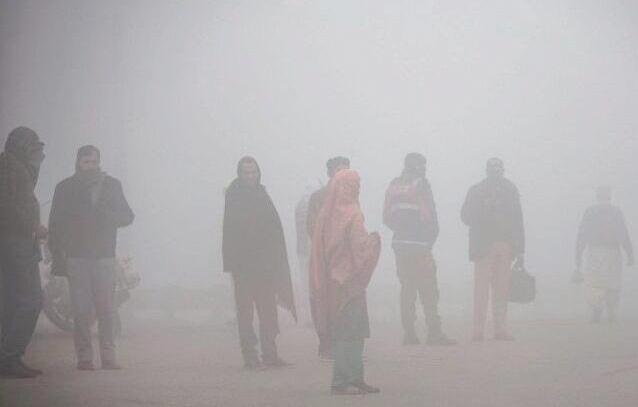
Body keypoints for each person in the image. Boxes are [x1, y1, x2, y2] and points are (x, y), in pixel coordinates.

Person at [47, 145, 134, 371]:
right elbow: (55, 224)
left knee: (106, 309)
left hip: (104, 256)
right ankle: (84, 358)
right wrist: (57, 256)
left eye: (94, 162)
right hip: (76, 256)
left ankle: (108, 357)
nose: (90, 166)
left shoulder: (112, 185)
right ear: (78, 162)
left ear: (99, 162)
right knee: (80, 310)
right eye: (86, 162)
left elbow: (128, 216)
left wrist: (109, 216)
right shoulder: (65, 188)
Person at [309, 169, 381, 395]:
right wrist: (375, 242)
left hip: (332, 280)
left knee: (345, 330)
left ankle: (352, 377)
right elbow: (360, 249)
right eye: (354, 185)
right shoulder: (353, 213)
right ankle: (344, 379)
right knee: (353, 332)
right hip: (351, 282)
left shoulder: (326, 214)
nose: (357, 189)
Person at [222, 156, 296, 369]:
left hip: (265, 265)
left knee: (268, 309)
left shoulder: (262, 194)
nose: (251, 176)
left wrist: (275, 259)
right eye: (246, 172)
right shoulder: (234, 196)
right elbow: (231, 232)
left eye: (254, 172)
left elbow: (273, 228)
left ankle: (270, 353)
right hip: (244, 266)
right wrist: (234, 264)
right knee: (245, 312)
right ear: (239, 174)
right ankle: (250, 355)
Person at [383, 153, 456, 346]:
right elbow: (430, 214)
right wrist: (430, 238)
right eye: (423, 165)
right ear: (418, 166)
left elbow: (386, 217)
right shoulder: (422, 184)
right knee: (429, 289)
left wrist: (401, 231)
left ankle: (409, 334)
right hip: (421, 245)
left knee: (407, 288)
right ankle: (434, 332)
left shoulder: (394, 185)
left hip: (400, 244)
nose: (425, 168)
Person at [0, 126, 46, 378]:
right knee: (30, 300)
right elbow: (7, 206)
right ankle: (9, 356)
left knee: (13, 301)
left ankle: (7, 357)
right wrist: (33, 227)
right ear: (22, 146)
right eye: (33, 146)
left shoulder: (12, 165)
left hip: (15, 243)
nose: (38, 153)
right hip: (16, 243)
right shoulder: (10, 167)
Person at [461, 158, 524, 341]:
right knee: (481, 290)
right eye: (493, 169)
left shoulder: (510, 189)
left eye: (498, 169)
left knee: (501, 289)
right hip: (484, 246)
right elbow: (465, 216)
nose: (496, 172)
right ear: (487, 170)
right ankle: (478, 329)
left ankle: (499, 329)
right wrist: (484, 208)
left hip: (505, 245)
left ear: (502, 170)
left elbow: (518, 220)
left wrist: (520, 249)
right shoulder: (477, 190)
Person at [306, 156, 350, 360]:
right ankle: (325, 343)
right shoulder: (318, 198)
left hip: (346, 260)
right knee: (323, 300)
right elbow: (312, 228)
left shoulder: (351, 196)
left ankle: (344, 343)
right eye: (339, 170)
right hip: (324, 258)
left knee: (345, 302)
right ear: (330, 173)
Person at [574, 186, 633, 323]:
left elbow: (582, 234)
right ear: (609, 196)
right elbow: (623, 233)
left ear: (597, 196)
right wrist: (630, 253)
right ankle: (611, 311)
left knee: (595, 282)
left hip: (594, 251)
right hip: (613, 251)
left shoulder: (590, 212)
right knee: (613, 281)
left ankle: (597, 309)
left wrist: (578, 256)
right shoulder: (616, 212)